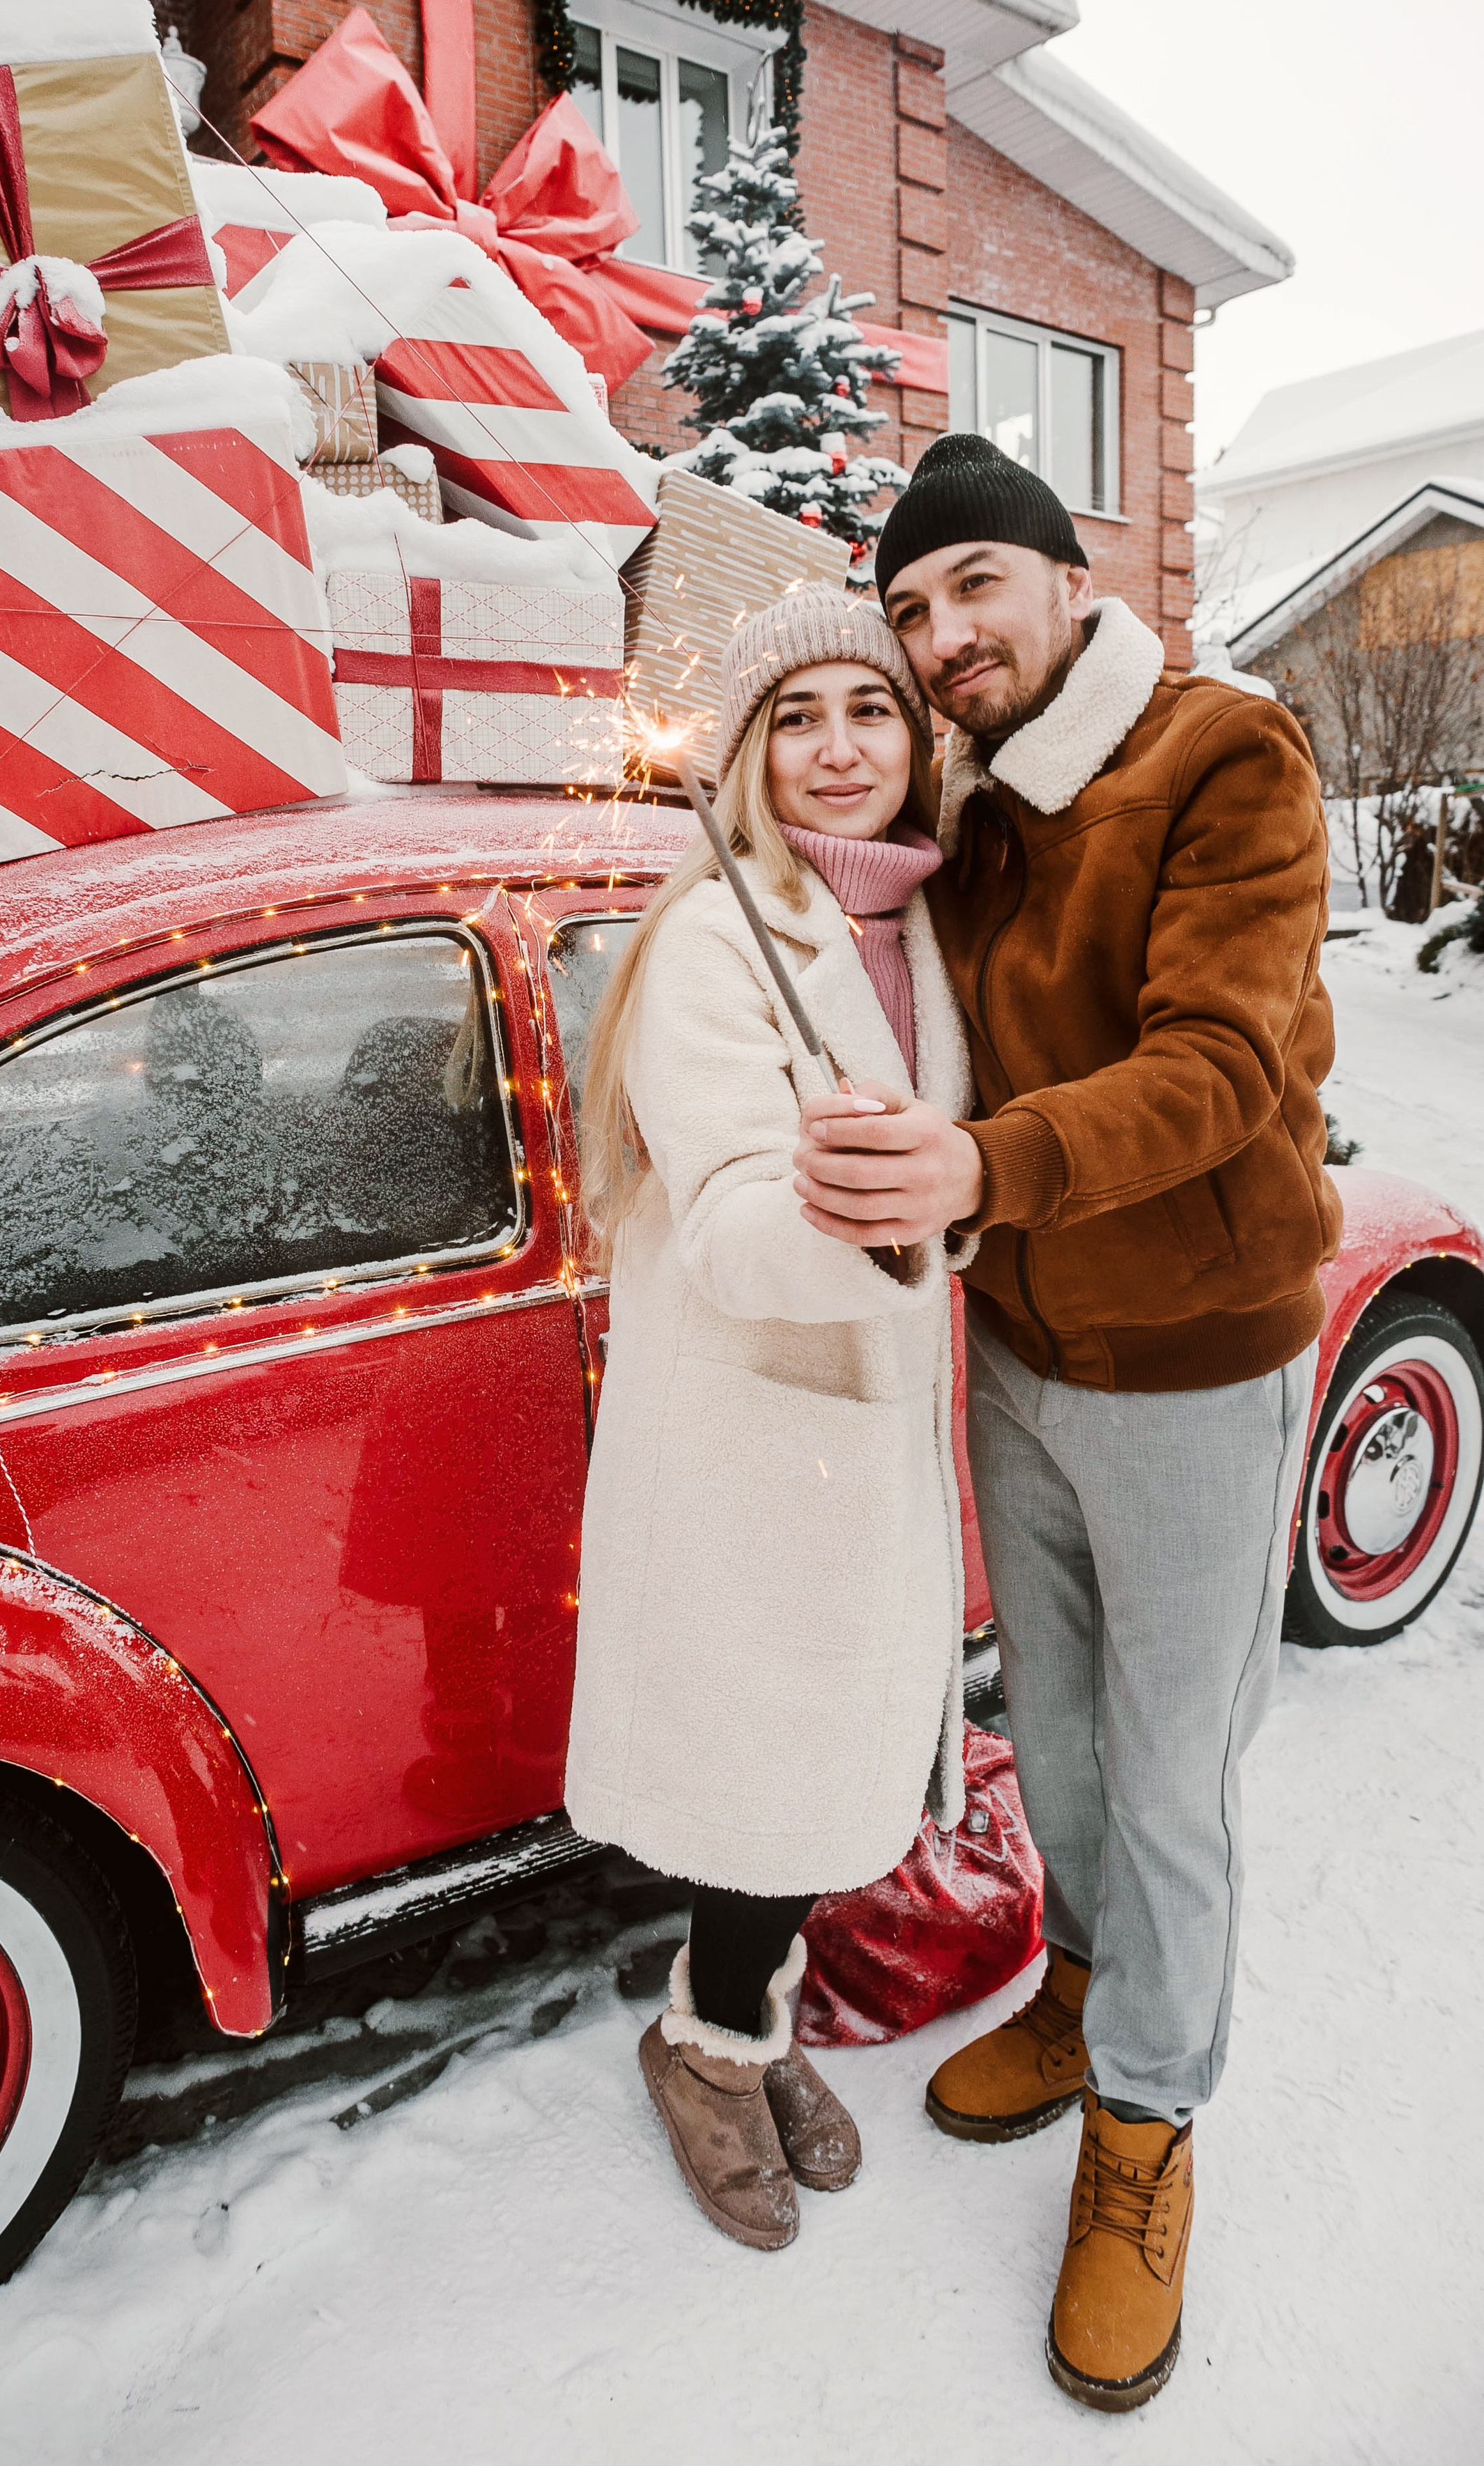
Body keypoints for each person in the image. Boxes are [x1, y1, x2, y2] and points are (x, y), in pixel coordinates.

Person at [792, 432, 1338, 2410]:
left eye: (975, 588)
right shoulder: (978, 801)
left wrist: (980, 1169)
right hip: (1023, 1349)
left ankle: (1148, 2122)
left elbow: (1216, 1065)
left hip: (1193, 1360)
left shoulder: (1220, 758)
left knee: (1175, 1772)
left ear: (1069, 581)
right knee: (1062, 1728)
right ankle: (1086, 1986)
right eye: (912, 608)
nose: (943, 635)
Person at [565, 584, 979, 2252]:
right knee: (764, 1776)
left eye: (867, 709)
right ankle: (707, 2046)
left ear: (913, 742)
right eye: (794, 717)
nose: (836, 746)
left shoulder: (923, 922)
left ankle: (749, 2014)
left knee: (827, 1761)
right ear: (746, 755)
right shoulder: (712, 940)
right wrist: (869, 1212)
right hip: (759, 1422)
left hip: (872, 1417)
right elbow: (735, 1213)